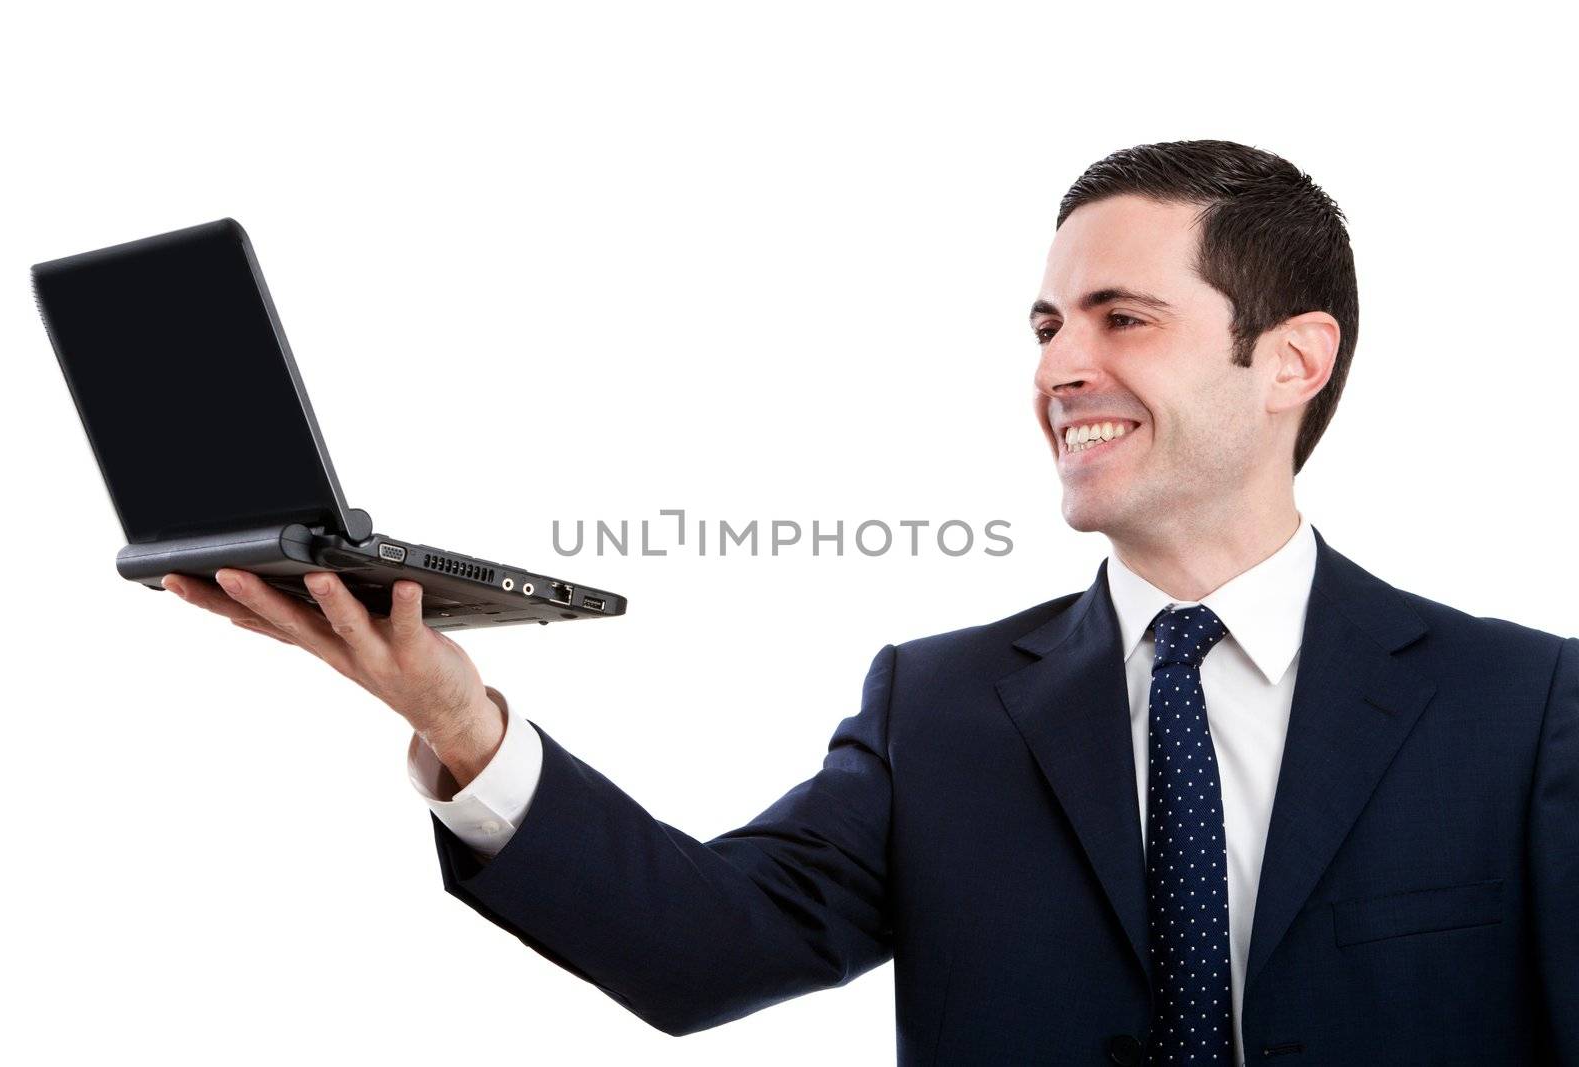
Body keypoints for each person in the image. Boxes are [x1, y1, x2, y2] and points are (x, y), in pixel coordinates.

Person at [162, 140, 1578, 1066]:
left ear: (1291, 360)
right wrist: (460, 721)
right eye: (1045, 327)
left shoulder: (1525, 711)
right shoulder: (944, 708)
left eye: (1120, 317)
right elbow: (698, 950)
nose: (1059, 366)